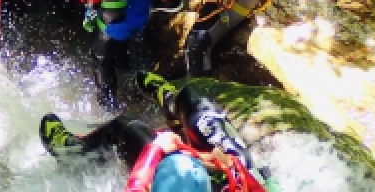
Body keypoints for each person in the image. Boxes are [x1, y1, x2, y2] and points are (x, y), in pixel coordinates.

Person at [39, 73, 268, 192]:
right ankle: (172, 104)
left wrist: (158, 149)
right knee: (194, 102)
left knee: (124, 130)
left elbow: (137, 185)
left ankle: (73, 152)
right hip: (224, 181)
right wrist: (226, 167)